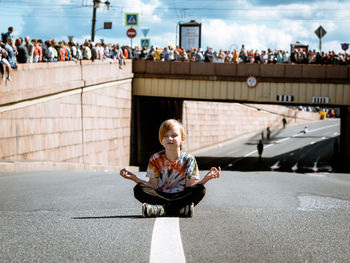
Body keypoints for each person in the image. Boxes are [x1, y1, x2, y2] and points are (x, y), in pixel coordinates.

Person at [120, 119, 221, 218]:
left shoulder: (189, 159)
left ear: (182, 139)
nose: (170, 138)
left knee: (200, 190)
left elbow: (190, 186)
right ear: (161, 141)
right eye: (165, 136)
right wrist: (134, 178)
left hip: (181, 195)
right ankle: (179, 209)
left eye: (174, 135)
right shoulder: (155, 158)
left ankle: (161, 209)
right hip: (160, 195)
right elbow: (153, 186)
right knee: (139, 189)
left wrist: (205, 180)